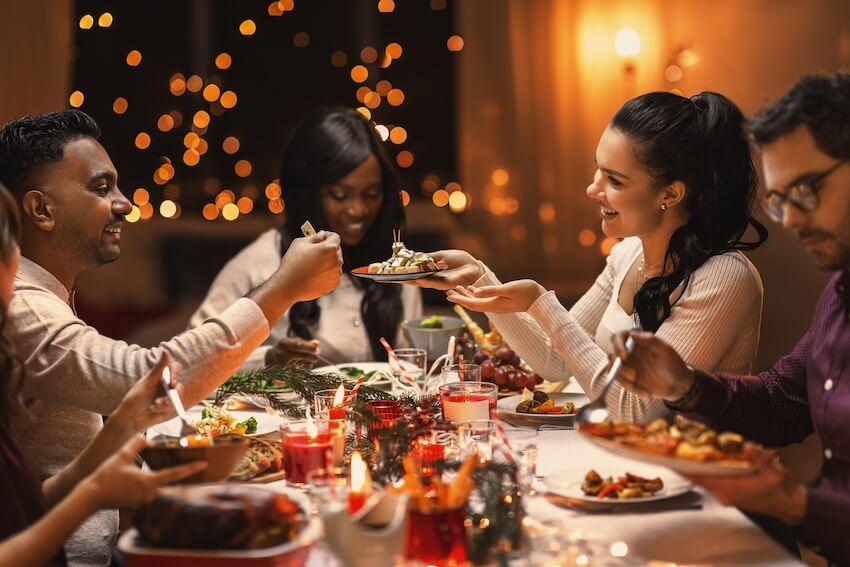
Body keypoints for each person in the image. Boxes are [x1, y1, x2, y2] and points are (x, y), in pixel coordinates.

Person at [0, 110, 342, 566]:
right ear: (41, 209)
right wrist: (280, 290)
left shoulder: (44, 295)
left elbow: (133, 391)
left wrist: (260, 362)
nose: (124, 203)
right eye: (102, 188)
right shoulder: (24, 306)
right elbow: (144, 377)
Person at [609, 72, 850, 565]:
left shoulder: (729, 275)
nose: (794, 220)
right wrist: (686, 385)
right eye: (780, 202)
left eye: (806, 190)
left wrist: (799, 505)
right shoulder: (839, 293)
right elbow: (784, 401)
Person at [419, 91, 767, 423]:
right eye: (597, 168)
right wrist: (480, 277)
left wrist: (541, 303)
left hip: (698, 475)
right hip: (630, 466)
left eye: (614, 180)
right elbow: (555, 361)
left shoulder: (725, 277)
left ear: (670, 193)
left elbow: (636, 411)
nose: (592, 188)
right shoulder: (628, 254)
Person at [0, 181, 205, 567]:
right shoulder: (28, 308)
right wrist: (93, 495)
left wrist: (114, 434)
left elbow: (27, 509)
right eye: (10, 243)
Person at [189, 107, 422, 367]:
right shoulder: (257, 265)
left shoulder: (395, 266)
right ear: (310, 193)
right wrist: (268, 358)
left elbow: (411, 364)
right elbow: (190, 364)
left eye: (371, 194)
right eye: (340, 195)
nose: (358, 210)